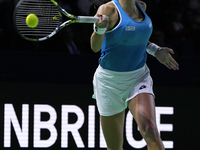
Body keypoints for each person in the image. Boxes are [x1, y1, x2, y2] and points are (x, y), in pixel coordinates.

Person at [90, 0, 179, 150]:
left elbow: (137, 37)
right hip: (108, 83)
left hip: (138, 77)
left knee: (150, 129)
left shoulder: (142, 6)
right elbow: (94, 47)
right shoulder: (107, 10)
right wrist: (99, 30)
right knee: (114, 147)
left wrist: (155, 50)